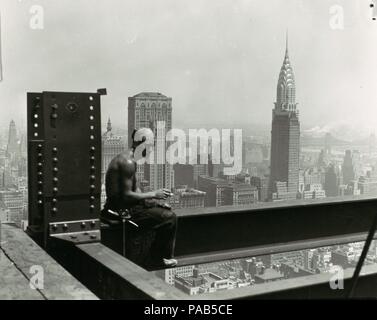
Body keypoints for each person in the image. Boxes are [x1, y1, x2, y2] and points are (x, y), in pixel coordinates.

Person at [103, 129, 178, 268]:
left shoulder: (130, 159)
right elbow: (126, 195)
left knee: (161, 211)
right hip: (120, 210)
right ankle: (159, 258)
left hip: (126, 207)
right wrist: (154, 194)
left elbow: (135, 191)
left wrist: (153, 203)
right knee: (169, 218)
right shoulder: (128, 162)